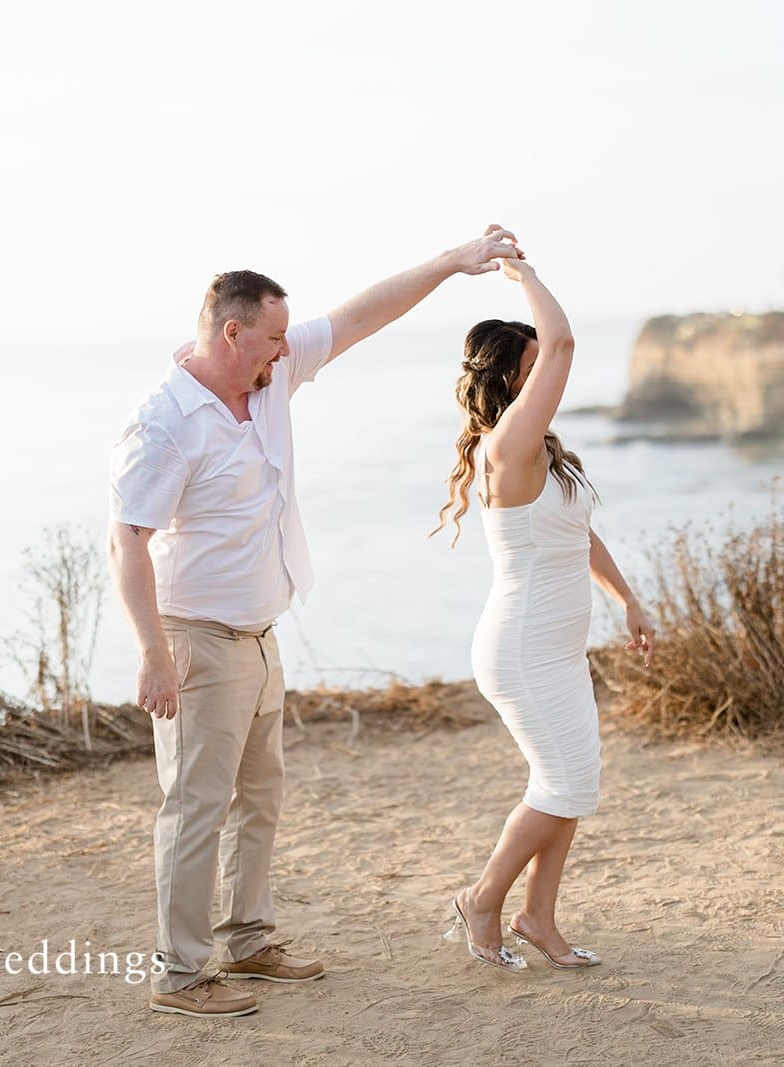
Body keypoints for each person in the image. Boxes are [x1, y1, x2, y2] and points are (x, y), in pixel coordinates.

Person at [108, 226, 522, 1018]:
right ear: (231, 333)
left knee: (260, 796)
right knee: (196, 806)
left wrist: (450, 261)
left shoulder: (270, 376)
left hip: (260, 635)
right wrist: (152, 654)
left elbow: (361, 316)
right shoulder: (165, 422)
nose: (283, 350)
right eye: (270, 337)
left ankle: (248, 940)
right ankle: (179, 973)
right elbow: (125, 541)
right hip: (196, 639)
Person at [432, 251, 654, 972]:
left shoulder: (544, 455)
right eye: (534, 364)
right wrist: (518, 271)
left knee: (572, 782)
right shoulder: (509, 446)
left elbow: (578, 534)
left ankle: (539, 915)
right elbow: (563, 341)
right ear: (512, 379)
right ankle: (485, 898)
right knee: (563, 782)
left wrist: (629, 601)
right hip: (522, 648)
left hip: (557, 649)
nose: (551, 372)